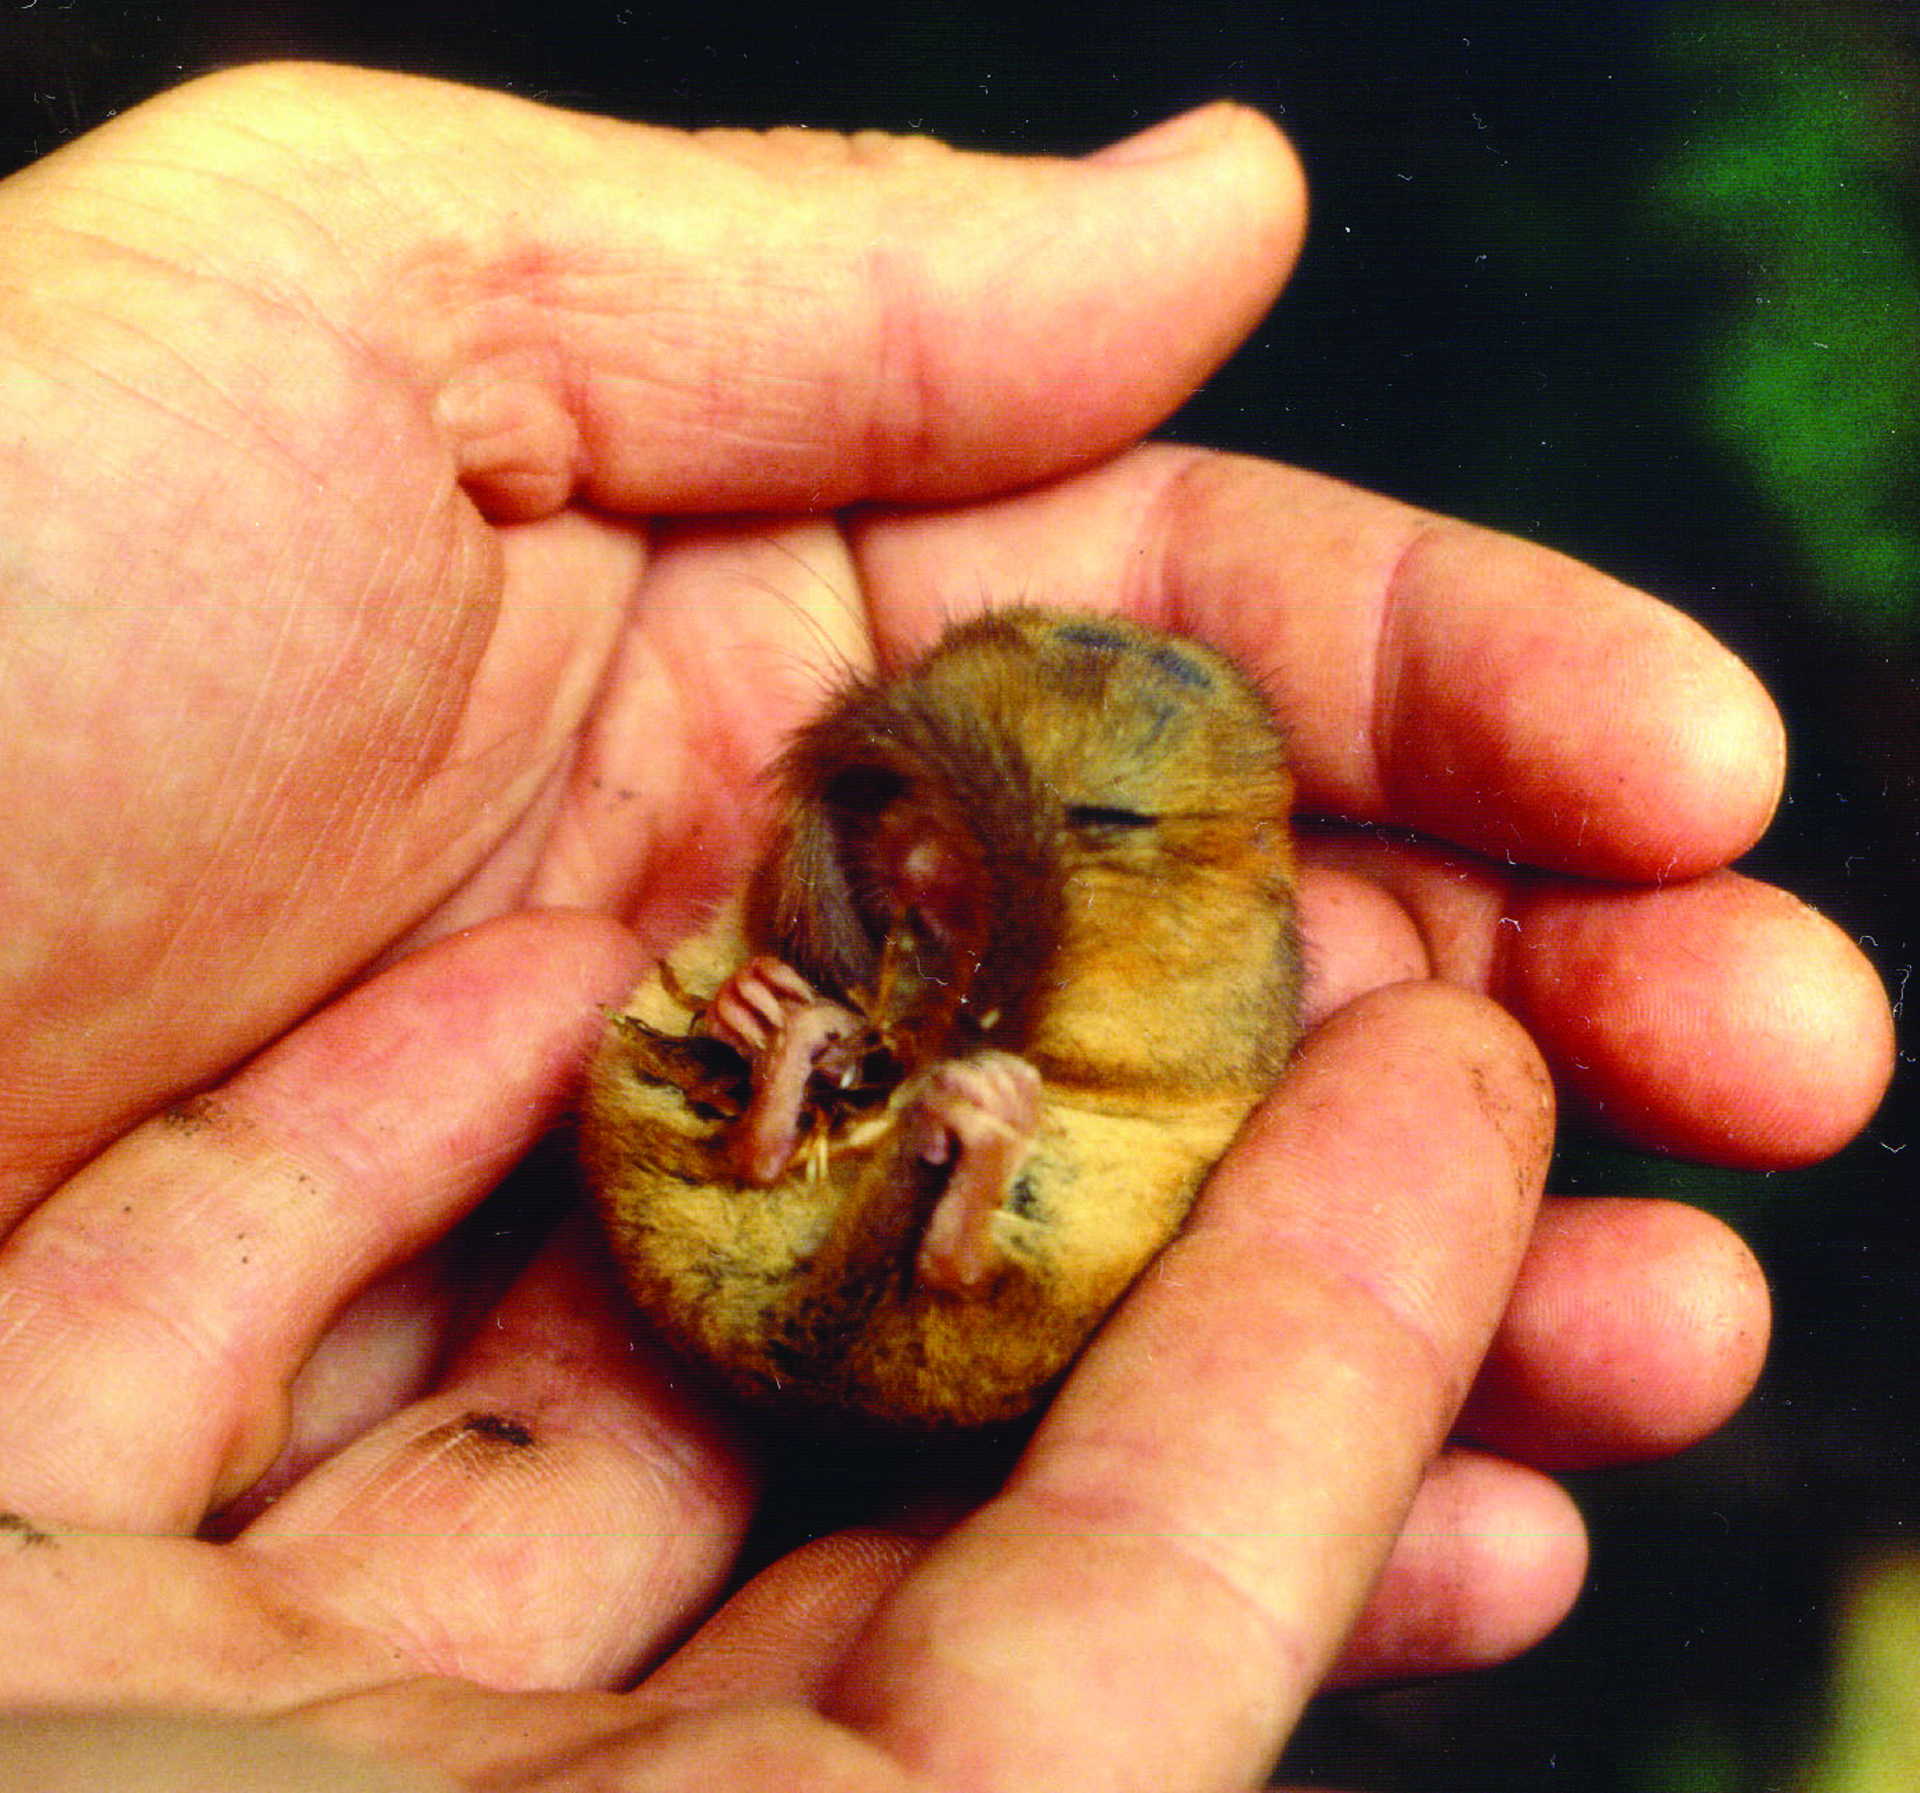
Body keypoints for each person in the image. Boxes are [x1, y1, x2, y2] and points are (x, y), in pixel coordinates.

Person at [0, 62, 1890, 1793]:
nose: (916, 870)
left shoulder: (1193, 963)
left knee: (1000, 1186)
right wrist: (834, 1024)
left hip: (951, 1241)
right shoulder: (893, 890)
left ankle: (908, 1161)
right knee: (819, 1076)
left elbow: (1116, 1074)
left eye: (991, 833)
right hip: (779, 1180)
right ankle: (832, 1126)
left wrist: (940, 1105)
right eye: (917, 802)